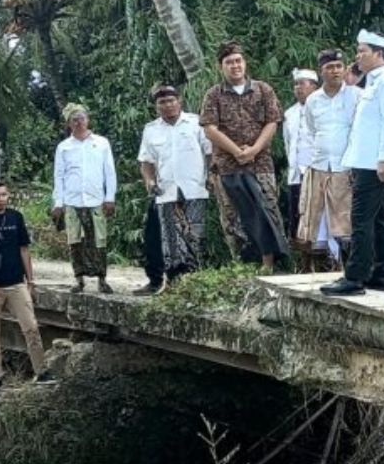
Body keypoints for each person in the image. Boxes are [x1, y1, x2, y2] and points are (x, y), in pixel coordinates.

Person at [320, 30, 384, 296]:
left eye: (362, 51)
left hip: (375, 163)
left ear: (378, 53)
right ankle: (380, 275)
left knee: (360, 220)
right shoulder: (374, 81)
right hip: (365, 160)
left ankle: (355, 277)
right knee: (378, 219)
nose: (357, 57)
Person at [200, 40, 289, 271]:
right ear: (221, 66)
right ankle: (242, 265)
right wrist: (237, 151)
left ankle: (271, 264)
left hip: (260, 165)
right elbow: (210, 128)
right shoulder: (213, 95)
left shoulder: (263, 90)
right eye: (229, 62)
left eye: (238, 61)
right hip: (227, 167)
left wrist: (254, 150)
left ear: (245, 63)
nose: (235, 66)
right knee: (232, 218)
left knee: (267, 211)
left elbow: (272, 122)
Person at [0, 181, 51, 392]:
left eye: (4, 195)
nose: (1, 198)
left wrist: (30, 281)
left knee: (31, 327)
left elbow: (24, 250)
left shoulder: (16, 217)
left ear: (9, 196)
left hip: (16, 283)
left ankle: (41, 372)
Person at [136, 85, 213, 296]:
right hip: (166, 190)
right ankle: (172, 282)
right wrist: (150, 182)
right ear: (156, 106)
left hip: (194, 188)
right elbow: (146, 161)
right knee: (169, 238)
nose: (167, 105)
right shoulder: (151, 129)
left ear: (179, 101)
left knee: (195, 235)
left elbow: (209, 152)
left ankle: (196, 281)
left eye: (171, 100)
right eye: (162, 102)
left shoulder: (196, 123)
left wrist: (211, 176)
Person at [298, 49, 359, 267]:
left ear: (344, 69)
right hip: (320, 164)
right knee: (318, 220)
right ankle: (325, 267)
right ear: (321, 71)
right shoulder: (313, 100)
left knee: (344, 221)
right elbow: (312, 131)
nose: (335, 71)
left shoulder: (355, 95)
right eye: (329, 67)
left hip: (346, 166)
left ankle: (348, 267)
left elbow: (358, 132)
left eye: (338, 67)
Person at [51, 103, 117, 294]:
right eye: (74, 119)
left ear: (88, 119)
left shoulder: (102, 143)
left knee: (99, 241)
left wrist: (110, 197)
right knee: (75, 242)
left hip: (96, 200)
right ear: (69, 124)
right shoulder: (64, 147)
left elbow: (109, 173)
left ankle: (102, 279)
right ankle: (79, 280)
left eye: (82, 118)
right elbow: (59, 176)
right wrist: (58, 203)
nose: (79, 122)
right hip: (72, 201)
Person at [283, 68, 320, 267]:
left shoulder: (321, 108)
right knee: (297, 218)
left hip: (316, 172)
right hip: (296, 173)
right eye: (296, 84)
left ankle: (326, 262)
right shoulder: (289, 113)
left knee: (317, 218)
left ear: (314, 86)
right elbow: (288, 143)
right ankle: (305, 264)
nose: (298, 88)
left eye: (302, 84)